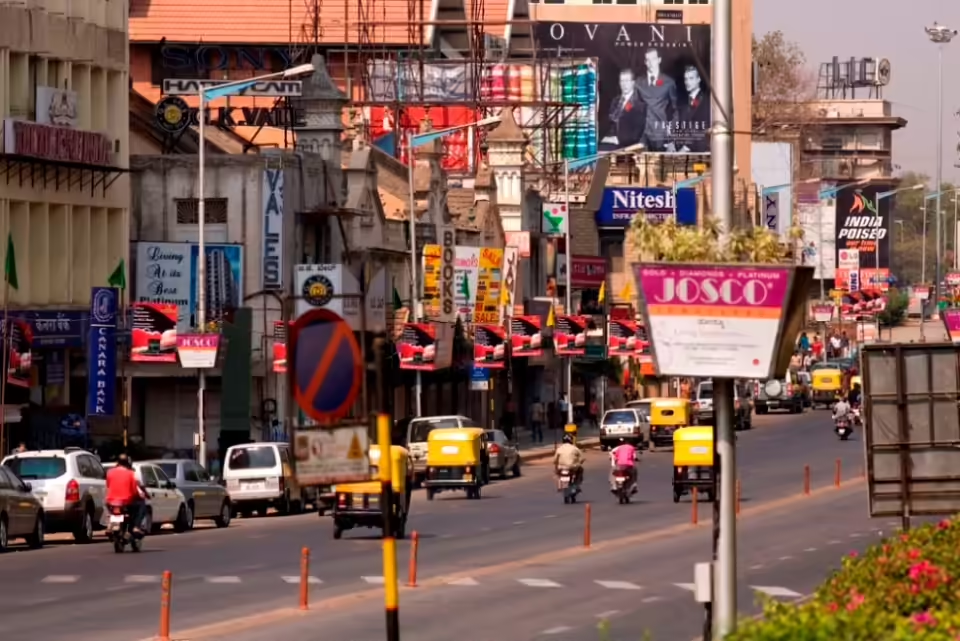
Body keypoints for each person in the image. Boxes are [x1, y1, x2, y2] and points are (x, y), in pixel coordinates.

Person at [635, 48, 677, 152]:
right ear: (645, 62)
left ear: (659, 60)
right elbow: (633, 106)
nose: (650, 63)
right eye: (647, 60)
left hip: (660, 135)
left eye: (653, 59)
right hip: (642, 134)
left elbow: (676, 109)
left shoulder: (669, 82)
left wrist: (671, 131)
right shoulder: (638, 83)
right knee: (641, 166)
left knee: (659, 166)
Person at [666, 65, 710, 153]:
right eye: (686, 79)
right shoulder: (683, 103)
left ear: (698, 80)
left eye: (691, 78)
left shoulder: (705, 102)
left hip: (698, 152)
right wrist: (672, 142)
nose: (687, 82)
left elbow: (702, 131)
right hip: (683, 151)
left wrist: (686, 148)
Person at [602, 68, 648, 148]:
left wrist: (619, 139)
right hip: (611, 145)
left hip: (630, 146)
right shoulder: (615, 101)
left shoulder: (639, 104)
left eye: (627, 81)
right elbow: (610, 123)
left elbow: (637, 132)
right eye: (622, 81)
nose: (624, 84)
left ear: (633, 83)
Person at [106, 454, 146, 534]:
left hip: (110, 501)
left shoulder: (109, 472)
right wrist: (139, 496)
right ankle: (136, 526)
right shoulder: (131, 473)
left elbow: (108, 485)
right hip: (126, 501)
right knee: (141, 505)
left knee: (108, 509)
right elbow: (134, 490)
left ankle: (110, 525)